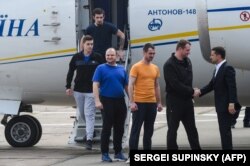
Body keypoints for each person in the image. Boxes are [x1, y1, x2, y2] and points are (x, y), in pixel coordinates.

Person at [65, 35, 104, 150]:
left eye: (92, 44)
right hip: (78, 91)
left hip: (91, 91)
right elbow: (70, 72)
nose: (90, 46)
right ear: (83, 45)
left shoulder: (97, 57)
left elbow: (103, 72)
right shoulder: (76, 57)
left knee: (89, 114)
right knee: (82, 114)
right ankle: (91, 132)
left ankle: (89, 140)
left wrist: (102, 86)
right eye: (88, 44)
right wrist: (68, 86)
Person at [198, 46, 240, 150]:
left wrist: (231, 103)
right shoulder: (217, 69)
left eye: (212, 55)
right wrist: (199, 92)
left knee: (225, 131)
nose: (210, 57)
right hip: (221, 106)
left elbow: (232, 86)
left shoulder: (227, 68)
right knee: (223, 130)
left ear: (219, 56)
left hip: (225, 106)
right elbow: (212, 85)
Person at [127, 43, 163, 163]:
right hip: (139, 102)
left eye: (153, 53)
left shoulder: (155, 68)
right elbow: (130, 85)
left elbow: (157, 85)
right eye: (150, 53)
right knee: (136, 130)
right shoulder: (136, 67)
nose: (152, 55)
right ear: (144, 53)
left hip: (151, 103)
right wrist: (132, 102)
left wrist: (159, 102)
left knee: (149, 131)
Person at [163, 39, 201, 150]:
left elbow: (188, 80)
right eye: (187, 50)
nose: (189, 52)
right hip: (174, 102)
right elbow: (175, 84)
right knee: (172, 130)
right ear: (180, 49)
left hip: (187, 102)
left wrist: (191, 92)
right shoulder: (169, 65)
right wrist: (192, 91)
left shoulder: (187, 61)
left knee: (192, 129)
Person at [92, 48, 128, 162]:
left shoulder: (122, 69)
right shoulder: (100, 68)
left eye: (112, 55)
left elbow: (127, 87)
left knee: (120, 128)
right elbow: (95, 85)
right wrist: (97, 101)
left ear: (116, 56)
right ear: (105, 56)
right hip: (106, 101)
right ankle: (105, 153)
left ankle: (118, 152)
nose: (109, 57)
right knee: (107, 128)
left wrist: (132, 100)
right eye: (108, 55)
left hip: (120, 101)